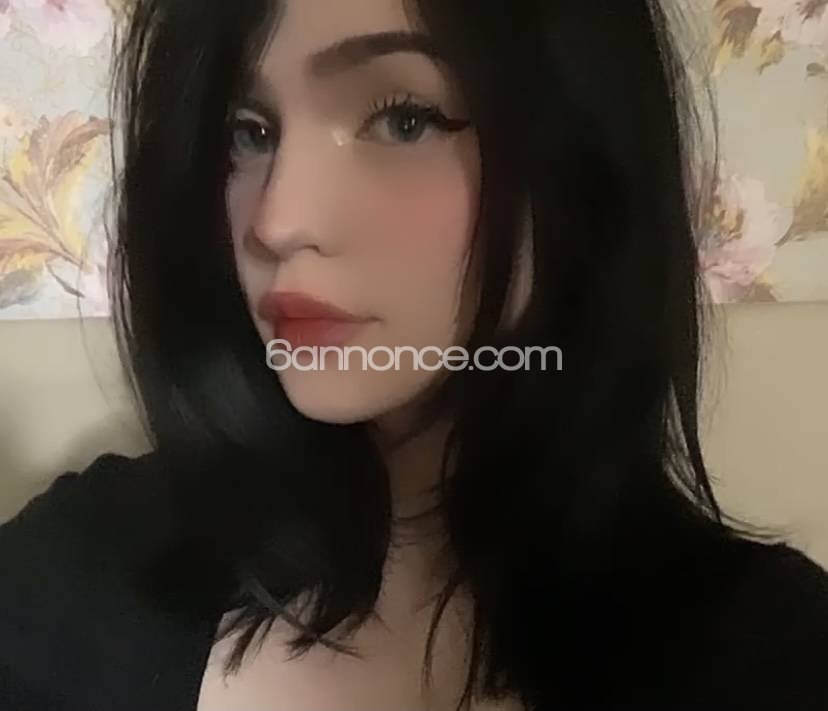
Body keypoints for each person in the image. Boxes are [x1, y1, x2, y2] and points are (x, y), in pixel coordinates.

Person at [1, 0, 827, 709]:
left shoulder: (764, 656)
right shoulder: (88, 563)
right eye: (248, 132)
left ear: (584, 168)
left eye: (404, 119)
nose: (278, 221)